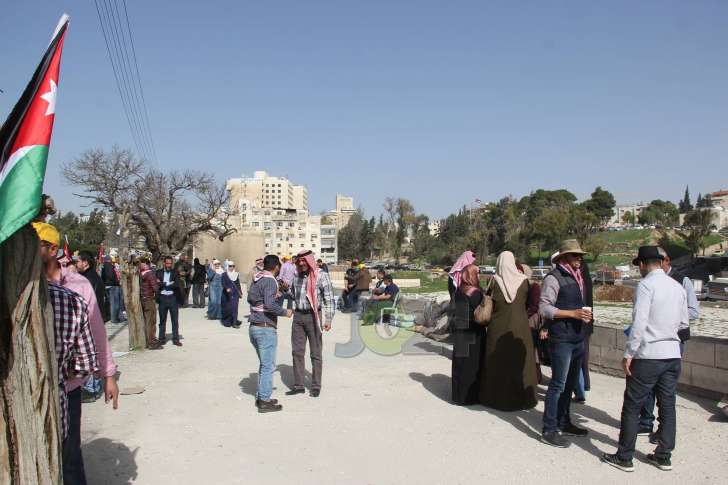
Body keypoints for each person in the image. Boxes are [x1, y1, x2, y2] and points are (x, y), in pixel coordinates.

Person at [34, 222, 116, 485]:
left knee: (69, 456)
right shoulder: (17, 285)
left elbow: (97, 331)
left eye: (34, 244)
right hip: (27, 390)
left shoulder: (77, 288)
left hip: (67, 389)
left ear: (53, 249)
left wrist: (108, 374)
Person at [602, 246, 687, 472]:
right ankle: (663, 455)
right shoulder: (677, 287)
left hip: (649, 355)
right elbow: (684, 324)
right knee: (667, 406)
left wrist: (629, 353)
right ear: (660, 262)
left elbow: (639, 323)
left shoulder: (646, 285)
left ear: (641, 264)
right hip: (672, 354)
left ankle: (625, 456)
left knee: (632, 406)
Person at [637, 246, 700, 437]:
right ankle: (646, 421)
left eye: (660, 260)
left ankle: (662, 429)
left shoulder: (682, 281)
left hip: (673, 340)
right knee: (648, 387)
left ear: (666, 261)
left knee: (665, 391)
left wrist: (665, 318)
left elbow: (693, 311)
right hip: (652, 341)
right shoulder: (648, 280)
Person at [539, 239, 593, 448]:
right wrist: (572, 313)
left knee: (569, 385)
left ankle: (564, 420)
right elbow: (544, 308)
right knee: (558, 385)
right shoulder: (553, 278)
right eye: (574, 255)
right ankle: (549, 429)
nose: (579, 258)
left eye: (580, 255)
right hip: (561, 338)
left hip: (578, 337)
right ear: (563, 258)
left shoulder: (578, 277)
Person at [479, 251, 538, 411]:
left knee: (497, 361)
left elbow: (488, 301)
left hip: (498, 326)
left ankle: (495, 398)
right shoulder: (524, 281)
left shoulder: (494, 281)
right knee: (520, 361)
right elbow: (529, 303)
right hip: (520, 326)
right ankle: (524, 399)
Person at [285, 249, 335, 397]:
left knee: (316, 353)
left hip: (314, 316)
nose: (301, 264)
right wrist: (284, 289)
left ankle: (315, 385)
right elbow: (293, 295)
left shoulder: (321, 275)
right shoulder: (295, 275)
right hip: (298, 316)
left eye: (303, 261)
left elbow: (329, 298)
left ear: (309, 261)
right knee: (297, 352)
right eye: (299, 261)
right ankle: (299, 385)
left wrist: (328, 319)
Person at [247, 255, 293, 412]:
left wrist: (274, 295)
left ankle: (262, 395)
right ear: (277, 267)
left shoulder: (257, 278)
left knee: (264, 364)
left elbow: (253, 298)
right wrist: (284, 311)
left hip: (254, 326)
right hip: (265, 327)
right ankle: (264, 401)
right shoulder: (270, 280)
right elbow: (269, 305)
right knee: (268, 366)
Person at [451, 264, 486, 405]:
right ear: (472, 275)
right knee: (472, 365)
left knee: (460, 364)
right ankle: (469, 397)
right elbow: (480, 314)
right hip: (473, 332)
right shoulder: (475, 293)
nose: (478, 276)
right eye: (476, 273)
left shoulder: (459, 290)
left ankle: (458, 395)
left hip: (460, 330)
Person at [156, 256, 183, 346]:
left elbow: (177, 284)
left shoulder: (175, 272)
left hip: (172, 298)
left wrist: (163, 283)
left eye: (170, 263)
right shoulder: (158, 272)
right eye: (167, 263)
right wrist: (167, 283)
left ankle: (175, 339)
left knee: (175, 320)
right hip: (162, 298)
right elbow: (157, 284)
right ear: (164, 263)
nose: (169, 265)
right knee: (162, 320)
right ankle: (161, 339)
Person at [77, 250, 107, 322]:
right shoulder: (93, 276)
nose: (76, 264)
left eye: (78, 261)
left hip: (90, 320)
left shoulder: (85, 280)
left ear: (85, 263)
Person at [140, 258, 161, 349]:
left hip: (142, 299)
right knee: (151, 321)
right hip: (149, 299)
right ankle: (151, 341)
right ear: (147, 264)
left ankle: (145, 340)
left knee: (145, 321)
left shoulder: (139, 274)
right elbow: (155, 288)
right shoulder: (150, 273)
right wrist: (158, 283)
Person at [101, 255, 123, 323]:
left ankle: (110, 317)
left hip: (107, 285)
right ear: (109, 260)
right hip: (113, 286)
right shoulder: (110, 266)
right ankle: (114, 319)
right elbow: (111, 276)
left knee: (110, 302)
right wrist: (116, 282)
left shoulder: (103, 267)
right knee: (114, 303)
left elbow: (103, 277)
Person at [221, 261, 243, 328]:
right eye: (230, 266)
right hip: (227, 294)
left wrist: (240, 292)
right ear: (227, 266)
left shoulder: (236, 274)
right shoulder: (224, 274)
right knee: (228, 308)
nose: (232, 267)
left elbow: (238, 284)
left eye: (233, 266)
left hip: (235, 293)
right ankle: (228, 321)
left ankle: (234, 322)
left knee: (235, 308)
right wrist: (226, 288)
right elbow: (223, 282)